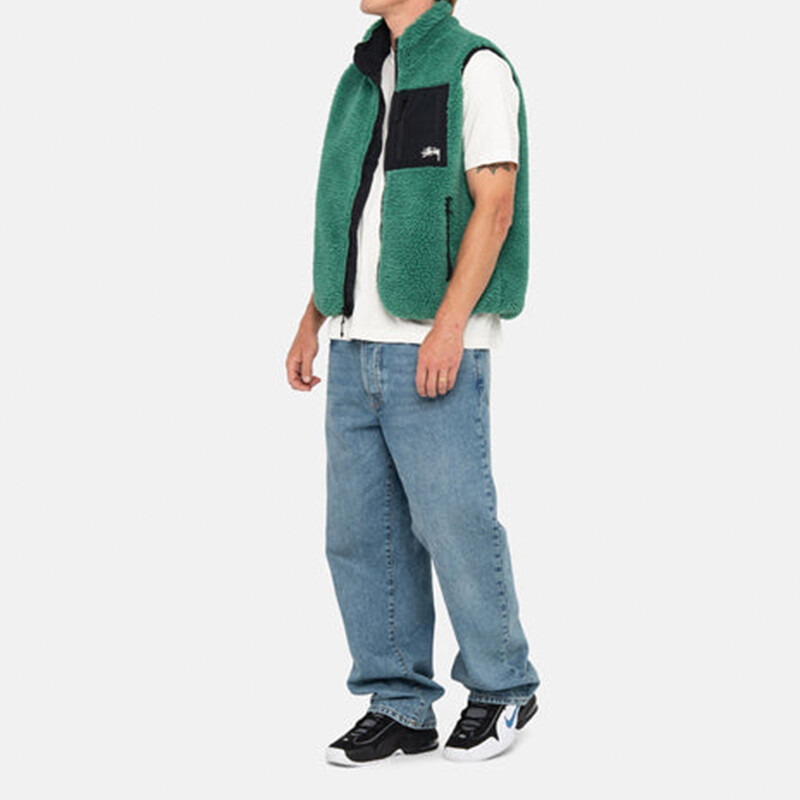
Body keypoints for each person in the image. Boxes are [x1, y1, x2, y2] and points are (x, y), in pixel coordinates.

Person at [286, 0, 540, 765]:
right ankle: (399, 702)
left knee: (456, 522)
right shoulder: (363, 76)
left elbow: (495, 208)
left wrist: (451, 326)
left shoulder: (474, 66)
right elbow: (351, 212)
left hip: (431, 342)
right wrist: (314, 315)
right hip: (353, 343)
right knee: (361, 536)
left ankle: (504, 687)